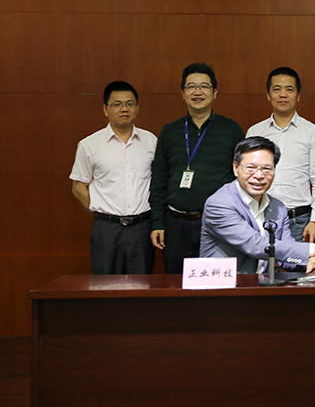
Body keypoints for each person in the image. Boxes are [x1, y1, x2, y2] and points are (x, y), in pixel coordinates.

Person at [149, 63, 245, 274]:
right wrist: (157, 222)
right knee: (176, 284)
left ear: (215, 93)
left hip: (218, 222)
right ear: (183, 93)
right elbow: (159, 179)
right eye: (191, 86)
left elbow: (241, 180)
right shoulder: (170, 131)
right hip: (176, 224)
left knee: (217, 282)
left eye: (204, 86)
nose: (197, 91)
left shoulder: (231, 130)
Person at [200, 137, 315, 273]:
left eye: (267, 168)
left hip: (261, 285)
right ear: (236, 168)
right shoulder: (219, 204)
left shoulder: (277, 207)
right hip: (223, 286)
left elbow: (285, 257)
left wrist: (309, 261)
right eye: (250, 167)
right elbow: (256, 246)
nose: (259, 175)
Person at [70, 81, 158, 274]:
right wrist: (101, 213)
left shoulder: (151, 141)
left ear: (137, 108)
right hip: (106, 229)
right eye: (117, 104)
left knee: (142, 285)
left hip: (142, 228)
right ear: (105, 109)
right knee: (105, 286)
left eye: (130, 104)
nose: (124, 109)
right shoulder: (89, 145)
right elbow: (78, 187)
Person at [246, 67, 315, 244]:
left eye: (289, 89)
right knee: (260, 263)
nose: (283, 94)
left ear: (298, 96)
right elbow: (247, 178)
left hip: (300, 221)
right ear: (268, 95)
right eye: (277, 89)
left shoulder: (313, 133)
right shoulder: (255, 132)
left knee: (299, 264)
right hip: (260, 217)